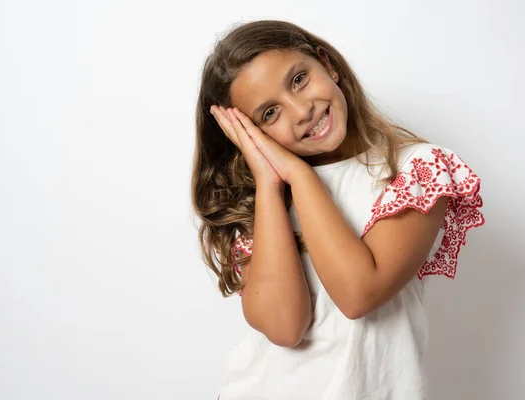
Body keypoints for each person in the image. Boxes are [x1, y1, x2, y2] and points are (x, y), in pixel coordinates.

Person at [191, 19, 485, 400]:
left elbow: (359, 293)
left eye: (298, 79)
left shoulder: (415, 170)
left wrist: (300, 175)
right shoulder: (259, 202)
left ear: (327, 65)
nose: (301, 110)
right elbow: (285, 327)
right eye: (269, 114)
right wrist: (269, 183)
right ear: (252, 135)